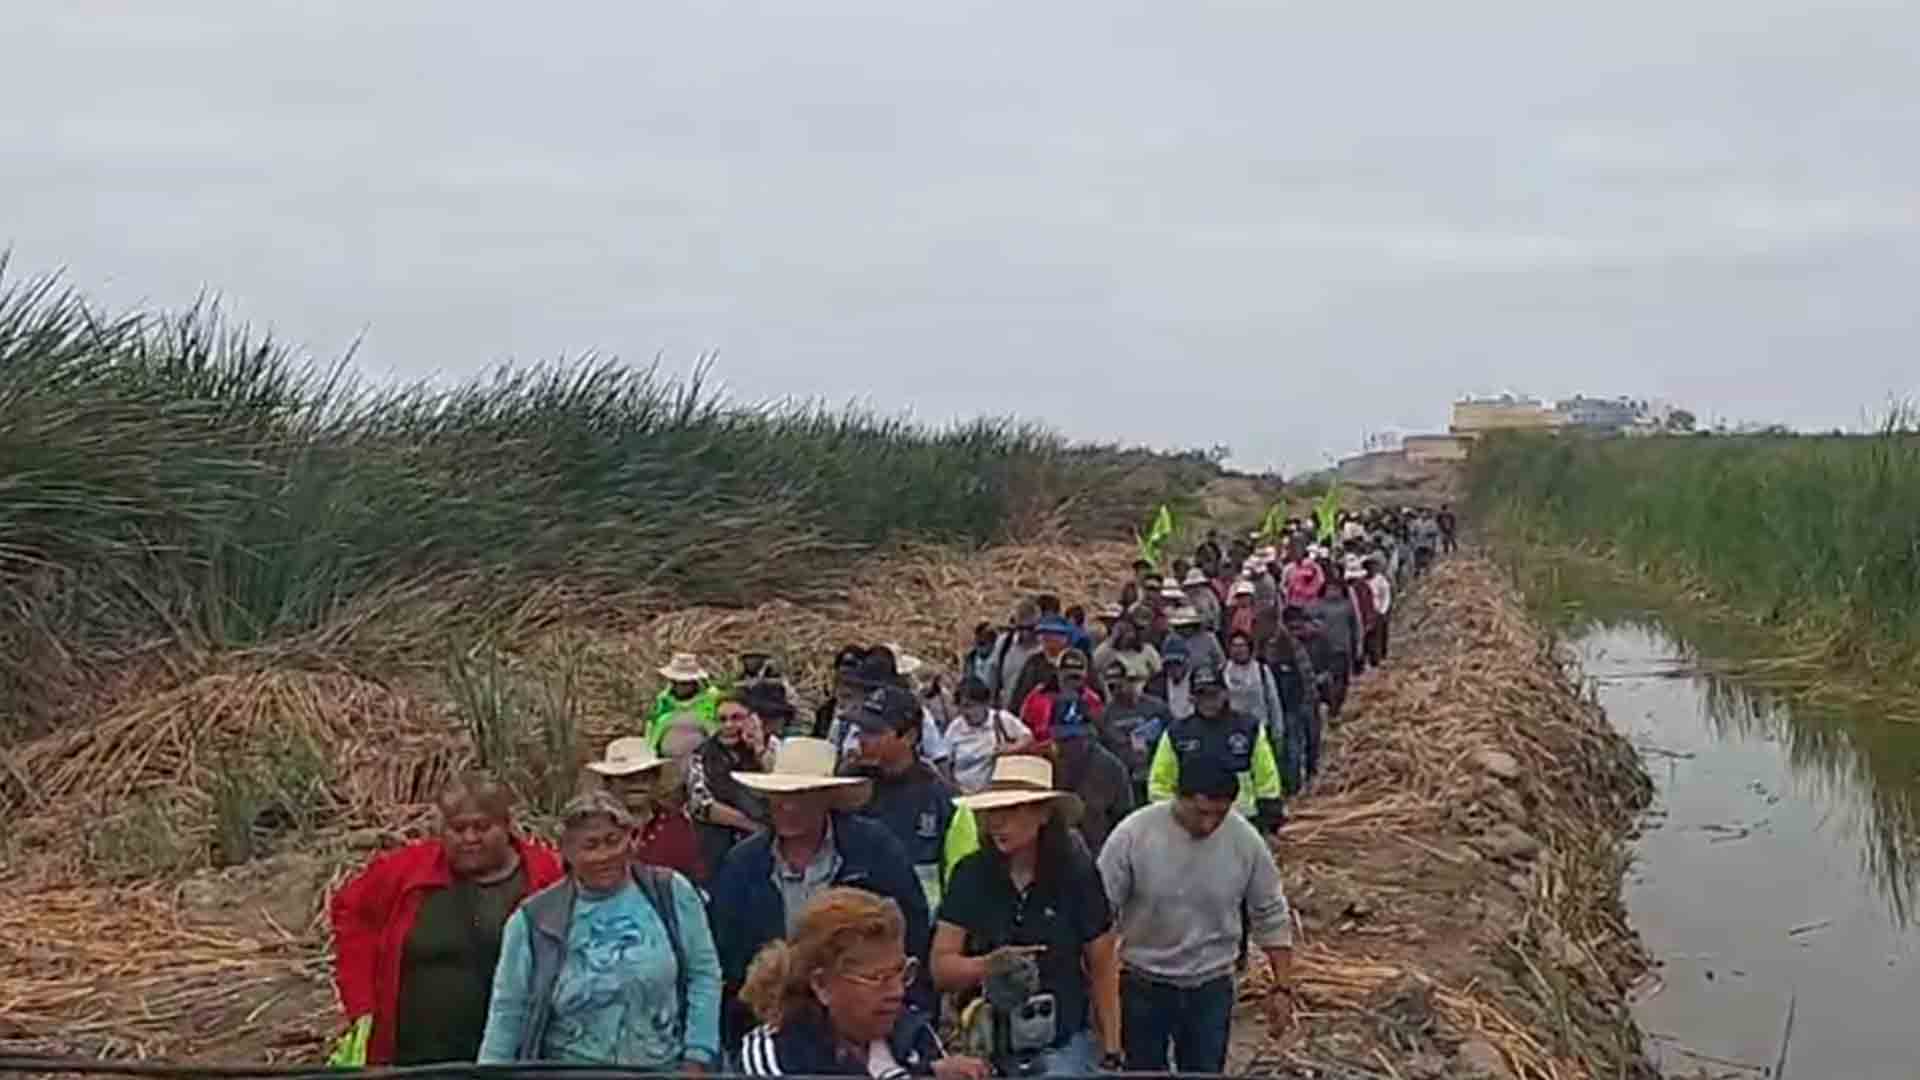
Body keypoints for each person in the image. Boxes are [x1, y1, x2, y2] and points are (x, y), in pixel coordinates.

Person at [707, 737, 934, 1045]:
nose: (787, 806)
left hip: (864, 1028)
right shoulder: (742, 863)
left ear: (827, 798)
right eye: (779, 797)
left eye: (801, 796)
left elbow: (913, 933)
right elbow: (726, 953)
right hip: (767, 1024)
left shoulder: (874, 849)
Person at [328, 774, 565, 1067]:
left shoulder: (544, 876)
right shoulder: (406, 870)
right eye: (458, 828)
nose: (470, 838)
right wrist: (362, 1003)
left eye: (482, 827)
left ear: (506, 826)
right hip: (412, 1055)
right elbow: (351, 914)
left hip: (511, 1053)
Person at [477, 792, 722, 1069]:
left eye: (612, 841)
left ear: (631, 839)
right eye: (590, 846)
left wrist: (697, 1056)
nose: (604, 855)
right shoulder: (533, 921)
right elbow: (508, 1012)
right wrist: (490, 1071)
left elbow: (704, 976)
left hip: (663, 1067)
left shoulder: (670, 893)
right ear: (566, 851)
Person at [1099, 758, 1295, 1074]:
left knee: (1204, 1070)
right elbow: (1100, 915)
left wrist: (1282, 986)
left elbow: (1270, 912)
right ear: (1179, 796)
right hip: (1143, 984)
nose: (1208, 825)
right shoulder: (1134, 835)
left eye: (1219, 815)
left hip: (1211, 986)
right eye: (1200, 813)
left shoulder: (1244, 841)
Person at [935, 758, 1122, 1077]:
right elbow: (940, 967)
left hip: (1062, 1041)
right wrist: (988, 966)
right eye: (993, 811)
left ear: (1044, 814)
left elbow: (1103, 965)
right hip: (989, 1045)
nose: (998, 822)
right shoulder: (970, 874)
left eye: (1012, 811)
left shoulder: (1077, 875)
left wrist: (1112, 1049)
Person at [740, 889, 989, 1080]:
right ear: (822, 984)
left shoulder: (914, 1034)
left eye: (901, 973)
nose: (897, 992)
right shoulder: (774, 1054)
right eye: (876, 978)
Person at [849, 685, 961, 908]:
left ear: (908, 736)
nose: (863, 740)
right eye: (861, 730)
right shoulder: (847, 787)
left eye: (874, 732)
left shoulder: (938, 796)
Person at [1146, 665, 1285, 836]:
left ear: (1225, 693)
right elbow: (1160, 781)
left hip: (1242, 819)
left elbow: (1266, 773)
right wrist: (1170, 816)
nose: (1208, 701)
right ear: (1192, 698)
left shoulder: (1248, 728)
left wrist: (1270, 809)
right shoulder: (1177, 733)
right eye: (1201, 696)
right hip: (1193, 823)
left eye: (1213, 695)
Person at [590, 737, 706, 884]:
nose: (637, 784)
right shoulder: (589, 826)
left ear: (656, 779)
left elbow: (695, 881)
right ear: (608, 782)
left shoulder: (676, 824)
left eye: (644, 777)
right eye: (627, 777)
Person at [689, 689, 779, 877]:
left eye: (736, 718)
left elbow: (782, 784)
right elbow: (700, 804)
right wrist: (755, 828)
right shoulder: (702, 753)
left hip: (772, 847)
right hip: (718, 845)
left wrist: (758, 749)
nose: (728, 725)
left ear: (753, 719)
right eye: (722, 719)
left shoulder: (772, 747)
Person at [1050, 697, 1135, 854]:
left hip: (1099, 854)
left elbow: (1125, 822)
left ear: (1091, 735)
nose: (1070, 746)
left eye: (1077, 739)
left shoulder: (1112, 768)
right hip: (1053, 853)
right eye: (1064, 740)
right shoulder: (1044, 765)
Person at [1097, 659, 1172, 807]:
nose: (1116, 690)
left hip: (1155, 773)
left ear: (1129, 681)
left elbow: (1173, 735)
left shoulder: (1156, 707)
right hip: (1125, 780)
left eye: (1119, 684)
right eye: (1111, 687)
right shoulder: (1105, 715)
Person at [943, 675, 1036, 795]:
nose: (966, 713)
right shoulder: (955, 728)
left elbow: (1028, 737)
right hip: (963, 795)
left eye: (970, 706)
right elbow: (945, 763)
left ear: (985, 703)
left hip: (996, 794)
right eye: (962, 707)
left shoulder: (1001, 720)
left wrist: (1011, 748)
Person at [1018, 648, 1102, 749]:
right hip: (1043, 755)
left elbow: (1099, 733)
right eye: (1068, 676)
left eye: (1077, 677)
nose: (1073, 682)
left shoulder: (1092, 700)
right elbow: (1024, 732)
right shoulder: (1037, 697)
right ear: (1057, 672)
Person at [1221, 629, 1283, 759]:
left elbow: (1273, 701)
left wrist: (1278, 731)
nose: (1239, 650)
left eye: (1242, 646)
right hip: (1232, 729)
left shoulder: (1262, 670)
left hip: (1259, 727)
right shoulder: (1223, 671)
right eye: (1235, 646)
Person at [650, 653, 723, 758]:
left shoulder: (711, 698)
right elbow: (652, 728)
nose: (681, 687)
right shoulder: (663, 701)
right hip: (665, 760)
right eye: (677, 682)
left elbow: (717, 729)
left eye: (685, 683)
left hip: (699, 759)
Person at [988, 601, 1044, 712]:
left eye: (1030, 628)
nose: (1026, 633)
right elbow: (993, 676)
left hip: (1035, 714)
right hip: (1007, 712)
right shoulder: (1005, 644)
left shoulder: (1044, 649)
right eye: (1021, 628)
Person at [1092, 605, 1161, 683]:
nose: (1139, 633)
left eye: (1143, 629)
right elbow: (1094, 672)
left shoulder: (1149, 651)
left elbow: (1157, 675)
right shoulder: (1106, 649)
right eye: (1136, 627)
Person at [1168, 605, 1226, 675]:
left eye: (1188, 625)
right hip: (1180, 678)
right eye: (1181, 626)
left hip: (1206, 677)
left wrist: (1216, 672)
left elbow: (1221, 661)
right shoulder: (1171, 639)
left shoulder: (1209, 638)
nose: (1185, 629)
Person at [1146, 637, 1194, 720]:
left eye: (1177, 662)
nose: (1173, 667)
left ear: (1187, 661)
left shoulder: (1198, 680)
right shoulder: (1157, 684)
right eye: (1168, 664)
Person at [1365, 555, 1393, 666]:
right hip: (1368, 612)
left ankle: (1379, 657)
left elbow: (1386, 596)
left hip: (1378, 611)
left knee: (1379, 635)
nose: (1370, 570)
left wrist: (1382, 611)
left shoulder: (1381, 580)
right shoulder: (1364, 581)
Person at [963, 623, 1000, 688]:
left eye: (983, 643)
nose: (981, 639)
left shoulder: (1001, 660)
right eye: (977, 641)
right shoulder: (970, 658)